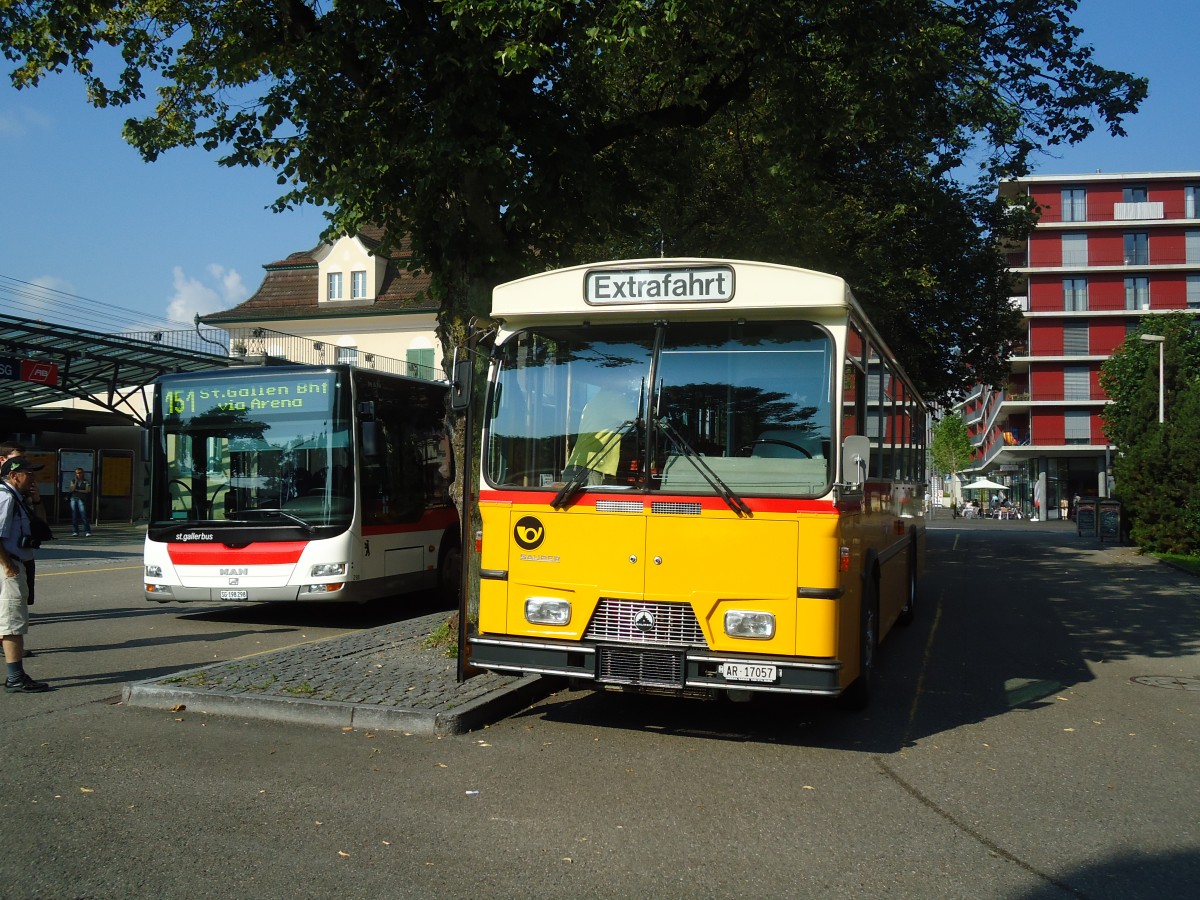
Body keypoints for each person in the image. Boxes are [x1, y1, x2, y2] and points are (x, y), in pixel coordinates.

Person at [0, 457, 50, 692]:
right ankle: (16, 677)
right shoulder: (6, 497)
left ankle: (16, 675)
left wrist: (36, 499)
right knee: (12, 624)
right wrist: (8, 565)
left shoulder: (19, 498)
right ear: (13, 475)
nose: (33, 477)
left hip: (14, 563)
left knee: (9, 622)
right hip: (8, 567)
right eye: (28, 473)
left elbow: (42, 525)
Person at [564, 377, 639, 484]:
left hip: (575, 466)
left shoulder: (591, 402)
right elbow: (639, 421)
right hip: (594, 467)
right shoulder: (615, 398)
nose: (626, 384)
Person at [67, 466, 93, 536]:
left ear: (83, 473)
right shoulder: (73, 481)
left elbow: (88, 490)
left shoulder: (86, 481)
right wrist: (75, 482)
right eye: (77, 473)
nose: (78, 474)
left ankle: (87, 531)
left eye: (80, 473)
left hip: (81, 499)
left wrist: (78, 490)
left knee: (83, 515)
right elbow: (72, 489)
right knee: (74, 516)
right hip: (73, 498)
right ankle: (75, 531)